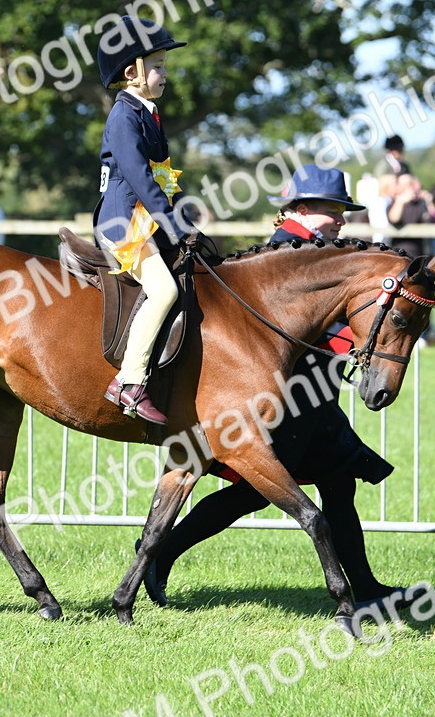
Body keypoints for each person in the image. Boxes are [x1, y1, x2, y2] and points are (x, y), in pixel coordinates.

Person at [141, 164, 412, 609]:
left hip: (313, 396)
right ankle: (158, 553)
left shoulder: (322, 249)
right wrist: (345, 345)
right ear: (303, 208)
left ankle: (366, 590)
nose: (342, 219)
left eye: (343, 211)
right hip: (283, 398)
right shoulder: (286, 250)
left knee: (339, 483)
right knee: (253, 492)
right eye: (334, 210)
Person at [94, 16, 194, 426]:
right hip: (122, 223)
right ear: (132, 72)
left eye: (164, 66)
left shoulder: (146, 111)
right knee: (164, 290)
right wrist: (170, 222)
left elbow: (161, 173)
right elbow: (137, 174)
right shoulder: (123, 115)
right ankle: (130, 382)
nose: (165, 73)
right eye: (158, 66)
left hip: (142, 218)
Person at [386, 174, 435, 258]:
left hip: (418, 254)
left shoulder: (420, 204)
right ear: (398, 187)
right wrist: (401, 202)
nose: (409, 187)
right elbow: (393, 220)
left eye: (411, 183)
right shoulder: (393, 204)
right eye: (405, 184)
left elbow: (432, 221)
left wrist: (428, 201)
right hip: (397, 254)